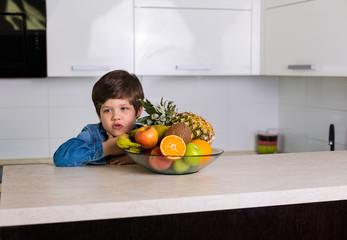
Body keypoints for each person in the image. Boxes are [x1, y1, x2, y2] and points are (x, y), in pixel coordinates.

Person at [53, 70, 144, 167]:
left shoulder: (145, 134)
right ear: (99, 115)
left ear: (138, 111)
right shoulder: (92, 134)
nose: (116, 117)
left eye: (124, 108)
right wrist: (107, 148)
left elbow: (160, 153)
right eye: (108, 110)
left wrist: (137, 158)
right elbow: (60, 158)